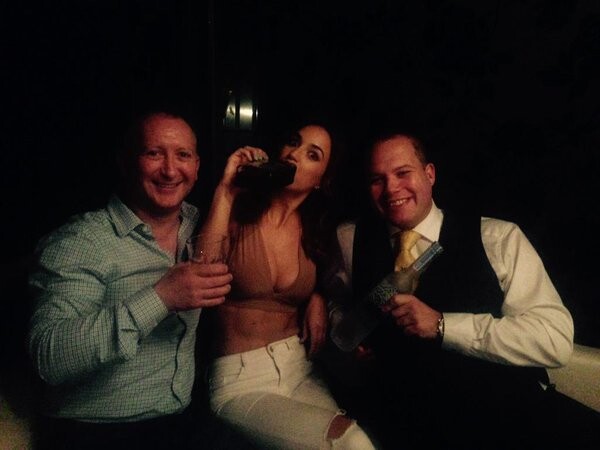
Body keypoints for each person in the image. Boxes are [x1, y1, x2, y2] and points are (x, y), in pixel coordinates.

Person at [323, 129, 579, 450]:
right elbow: (336, 300)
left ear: (429, 174)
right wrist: (338, 326)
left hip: (504, 420)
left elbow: (554, 340)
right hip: (403, 424)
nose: (391, 189)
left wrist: (443, 325)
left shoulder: (498, 238)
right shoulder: (349, 239)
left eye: (403, 173)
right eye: (377, 179)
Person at [27, 110, 255, 450]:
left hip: (181, 420)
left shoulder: (199, 225)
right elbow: (50, 357)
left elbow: (214, 259)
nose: (170, 170)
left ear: (196, 167)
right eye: (153, 153)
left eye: (183, 155)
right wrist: (161, 297)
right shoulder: (80, 241)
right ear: (125, 162)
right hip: (97, 429)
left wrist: (226, 191)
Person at [197, 121, 377, 449]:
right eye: (293, 142)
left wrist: (317, 297)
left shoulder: (315, 231)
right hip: (240, 378)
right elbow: (202, 270)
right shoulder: (239, 208)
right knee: (352, 442)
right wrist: (225, 190)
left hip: (300, 366)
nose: (294, 154)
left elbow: (332, 284)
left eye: (312, 154)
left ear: (321, 179)